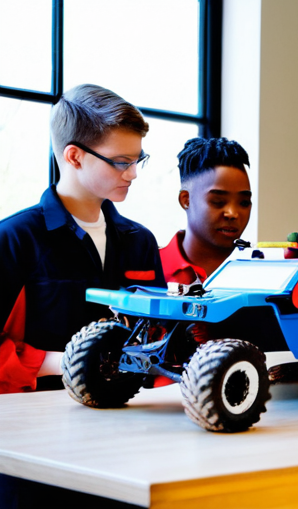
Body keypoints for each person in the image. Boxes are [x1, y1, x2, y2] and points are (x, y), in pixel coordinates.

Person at [0, 83, 163, 508]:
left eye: (137, 159)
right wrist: (70, 363)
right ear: (74, 156)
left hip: (128, 442)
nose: (132, 174)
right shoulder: (16, 239)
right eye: (121, 162)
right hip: (36, 447)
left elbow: (162, 335)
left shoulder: (140, 242)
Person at [159, 137, 252, 285]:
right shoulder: (150, 268)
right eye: (218, 202)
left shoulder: (262, 271)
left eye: (244, 202)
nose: (232, 213)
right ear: (186, 200)